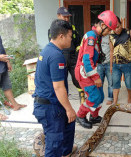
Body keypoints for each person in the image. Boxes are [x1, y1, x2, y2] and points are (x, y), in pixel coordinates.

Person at [33, 19, 77, 157]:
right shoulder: (56, 56)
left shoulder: (46, 50)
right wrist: (69, 109)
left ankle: (66, 153)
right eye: (70, 36)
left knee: (69, 125)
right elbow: (58, 87)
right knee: (54, 144)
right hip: (50, 108)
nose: (71, 39)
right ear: (61, 36)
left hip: (50, 104)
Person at [75, 10, 118, 129]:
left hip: (89, 71)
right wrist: (96, 77)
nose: (109, 32)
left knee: (100, 96)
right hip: (84, 73)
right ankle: (80, 116)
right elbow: (87, 60)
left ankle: (93, 116)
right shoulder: (91, 36)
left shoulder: (96, 37)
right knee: (94, 97)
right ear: (103, 25)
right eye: (109, 30)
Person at [48, 7, 85, 104]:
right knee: (61, 83)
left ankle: (82, 106)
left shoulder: (72, 29)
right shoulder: (53, 30)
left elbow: (79, 42)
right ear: (58, 16)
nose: (67, 19)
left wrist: (78, 56)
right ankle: (62, 103)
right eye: (64, 17)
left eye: (68, 17)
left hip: (73, 59)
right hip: (60, 59)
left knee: (78, 80)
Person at [109, 16, 131, 105]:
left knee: (128, 83)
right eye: (114, 28)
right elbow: (111, 51)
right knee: (115, 83)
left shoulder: (128, 32)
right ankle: (115, 101)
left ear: (121, 23)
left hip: (128, 64)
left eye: (118, 26)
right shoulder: (111, 35)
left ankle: (129, 95)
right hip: (116, 64)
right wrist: (111, 65)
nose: (116, 29)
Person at [0, 36, 26, 118]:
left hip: (2, 64)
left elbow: (1, 48)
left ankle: (15, 105)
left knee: (7, 86)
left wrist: (7, 61)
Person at [97, 34, 113, 105]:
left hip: (108, 63)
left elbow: (112, 51)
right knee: (99, 82)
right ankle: (99, 97)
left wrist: (111, 65)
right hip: (100, 63)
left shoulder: (110, 37)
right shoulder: (97, 37)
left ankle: (110, 98)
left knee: (111, 82)